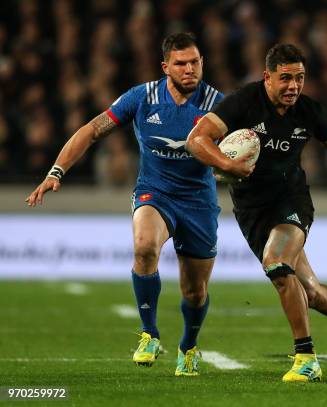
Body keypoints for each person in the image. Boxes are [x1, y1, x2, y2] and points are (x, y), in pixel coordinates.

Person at [25, 32, 247, 377]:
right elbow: (91, 130)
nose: (190, 69)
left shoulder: (219, 104)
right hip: (154, 192)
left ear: (203, 62)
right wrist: (57, 171)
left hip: (199, 201)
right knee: (144, 247)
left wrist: (233, 169)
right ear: (165, 67)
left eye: (195, 62)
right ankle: (150, 333)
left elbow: (241, 151)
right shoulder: (142, 97)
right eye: (181, 63)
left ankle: (188, 346)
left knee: (195, 291)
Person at [185, 44, 327, 383]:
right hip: (251, 211)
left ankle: (306, 357)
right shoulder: (243, 102)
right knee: (311, 294)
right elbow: (196, 140)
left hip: (292, 203)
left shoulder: (309, 111)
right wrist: (227, 164)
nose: (293, 87)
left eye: (300, 78)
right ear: (267, 78)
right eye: (285, 78)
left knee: (276, 262)